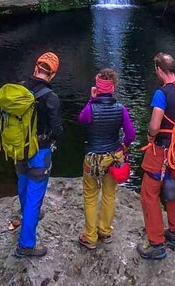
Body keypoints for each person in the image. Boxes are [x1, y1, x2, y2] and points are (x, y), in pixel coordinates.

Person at [137, 52, 175, 260]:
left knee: (149, 193)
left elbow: (155, 124)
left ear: (159, 70)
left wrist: (150, 135)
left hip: (162, 149)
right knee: (172, 188)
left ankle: (156, 244)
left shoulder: (161, 94)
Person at [77, 68, 136, 250]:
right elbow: (131, 134)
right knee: (110, 195)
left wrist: (91, 99)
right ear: (113, 88)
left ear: (98, 88)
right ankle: (105, 231)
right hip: (112, 157)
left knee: (90, 196)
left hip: (92, 158)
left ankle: (90, 236)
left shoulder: (90, 109)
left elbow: (81, 120)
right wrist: (123, 145)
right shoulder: (121, 109)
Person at [14, 51, 63, 258]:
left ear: (35, 68)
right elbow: (57, 130)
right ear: (51, 75)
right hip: (39, 151)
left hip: (18, 148)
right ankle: (26, 244)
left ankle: (26, 214)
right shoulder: (50, 98)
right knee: (36, 194)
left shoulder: (20, 89)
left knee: (23, 182)